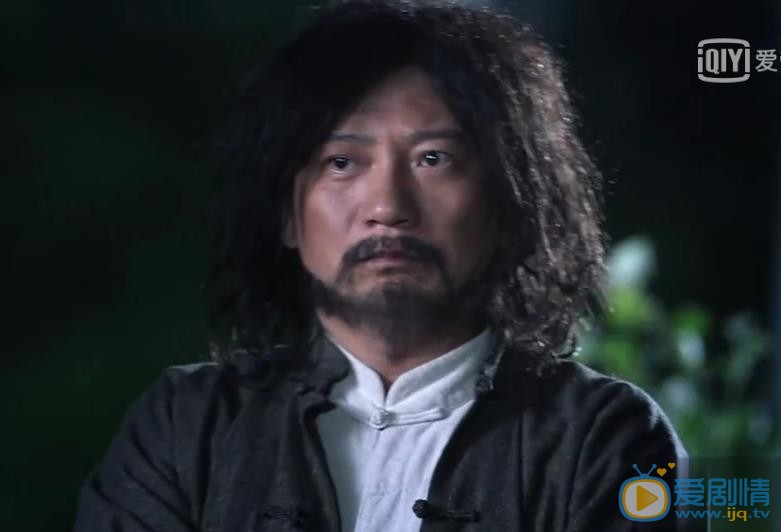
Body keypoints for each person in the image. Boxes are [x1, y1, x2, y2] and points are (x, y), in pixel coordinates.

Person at [74, 1, 688, 530]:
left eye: (433, 159)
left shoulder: (609, 437)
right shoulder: (187, 427)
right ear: (287, 216)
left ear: (509, 203)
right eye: (342, 163)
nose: (388, 208)